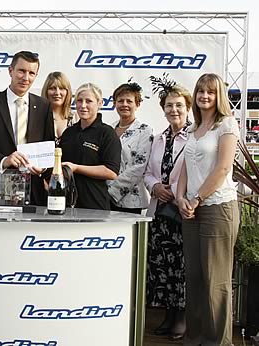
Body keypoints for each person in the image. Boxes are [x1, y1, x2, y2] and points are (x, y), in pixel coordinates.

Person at [176, 73, 239, 345]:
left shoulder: (227, 125)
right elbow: (186, 170)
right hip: (191, 210)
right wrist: (180, 198)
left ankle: (218, 341)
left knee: (216, 281)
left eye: (210, 92)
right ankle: (195, 337)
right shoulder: (193, 129)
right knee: (196, 277)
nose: (204, 96)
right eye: (200, 91)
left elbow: (222, 168)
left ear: (219, 96)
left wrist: (197, 199)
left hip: (217, 208)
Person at [0, 51, 55, 205]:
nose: (26, 77)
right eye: (21, 71)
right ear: (11, 71)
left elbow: (49, 148)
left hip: (33, 192)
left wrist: (43, 168)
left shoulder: (44, 107)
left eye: (31, 73)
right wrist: (4, 160)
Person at [144, 80, 192, 341]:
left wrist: (174, 190)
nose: (174, 110)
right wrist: (155, 187)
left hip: (182, 211)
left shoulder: (195, 136)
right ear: (163, 109)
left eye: (179, 105)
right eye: (169, 106)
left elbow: (196, 170)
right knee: (161, 266)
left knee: (180, 267)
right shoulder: (159, 138)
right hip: (160, 212)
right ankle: (168, 316)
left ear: (187, 108)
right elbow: (148, 173)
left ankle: (181, 318)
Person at [59, 83, 121, 210]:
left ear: (100, 103)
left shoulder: (107, 133)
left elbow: (111, 171)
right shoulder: (68, 133)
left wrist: (76, 168)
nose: (83, 106)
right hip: (66, 204)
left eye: (89, 101)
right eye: (79, 101)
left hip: (94, 204)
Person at [107, 81, 153, 214]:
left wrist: (112, 191)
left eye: (129, 101)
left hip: (131, 202)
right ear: (115, 103)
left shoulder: (144, 131)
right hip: (103, 199)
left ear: (137, 104)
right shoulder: (108, 129)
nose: (124, 104)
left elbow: (139, 167)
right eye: (120, 101)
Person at [41, 71, 78, 146]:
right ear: (46, 91)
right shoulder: (38, 118)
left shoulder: (76, 118)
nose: (57, 92)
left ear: (67, 92)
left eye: (61, 88)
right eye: (52, 88)